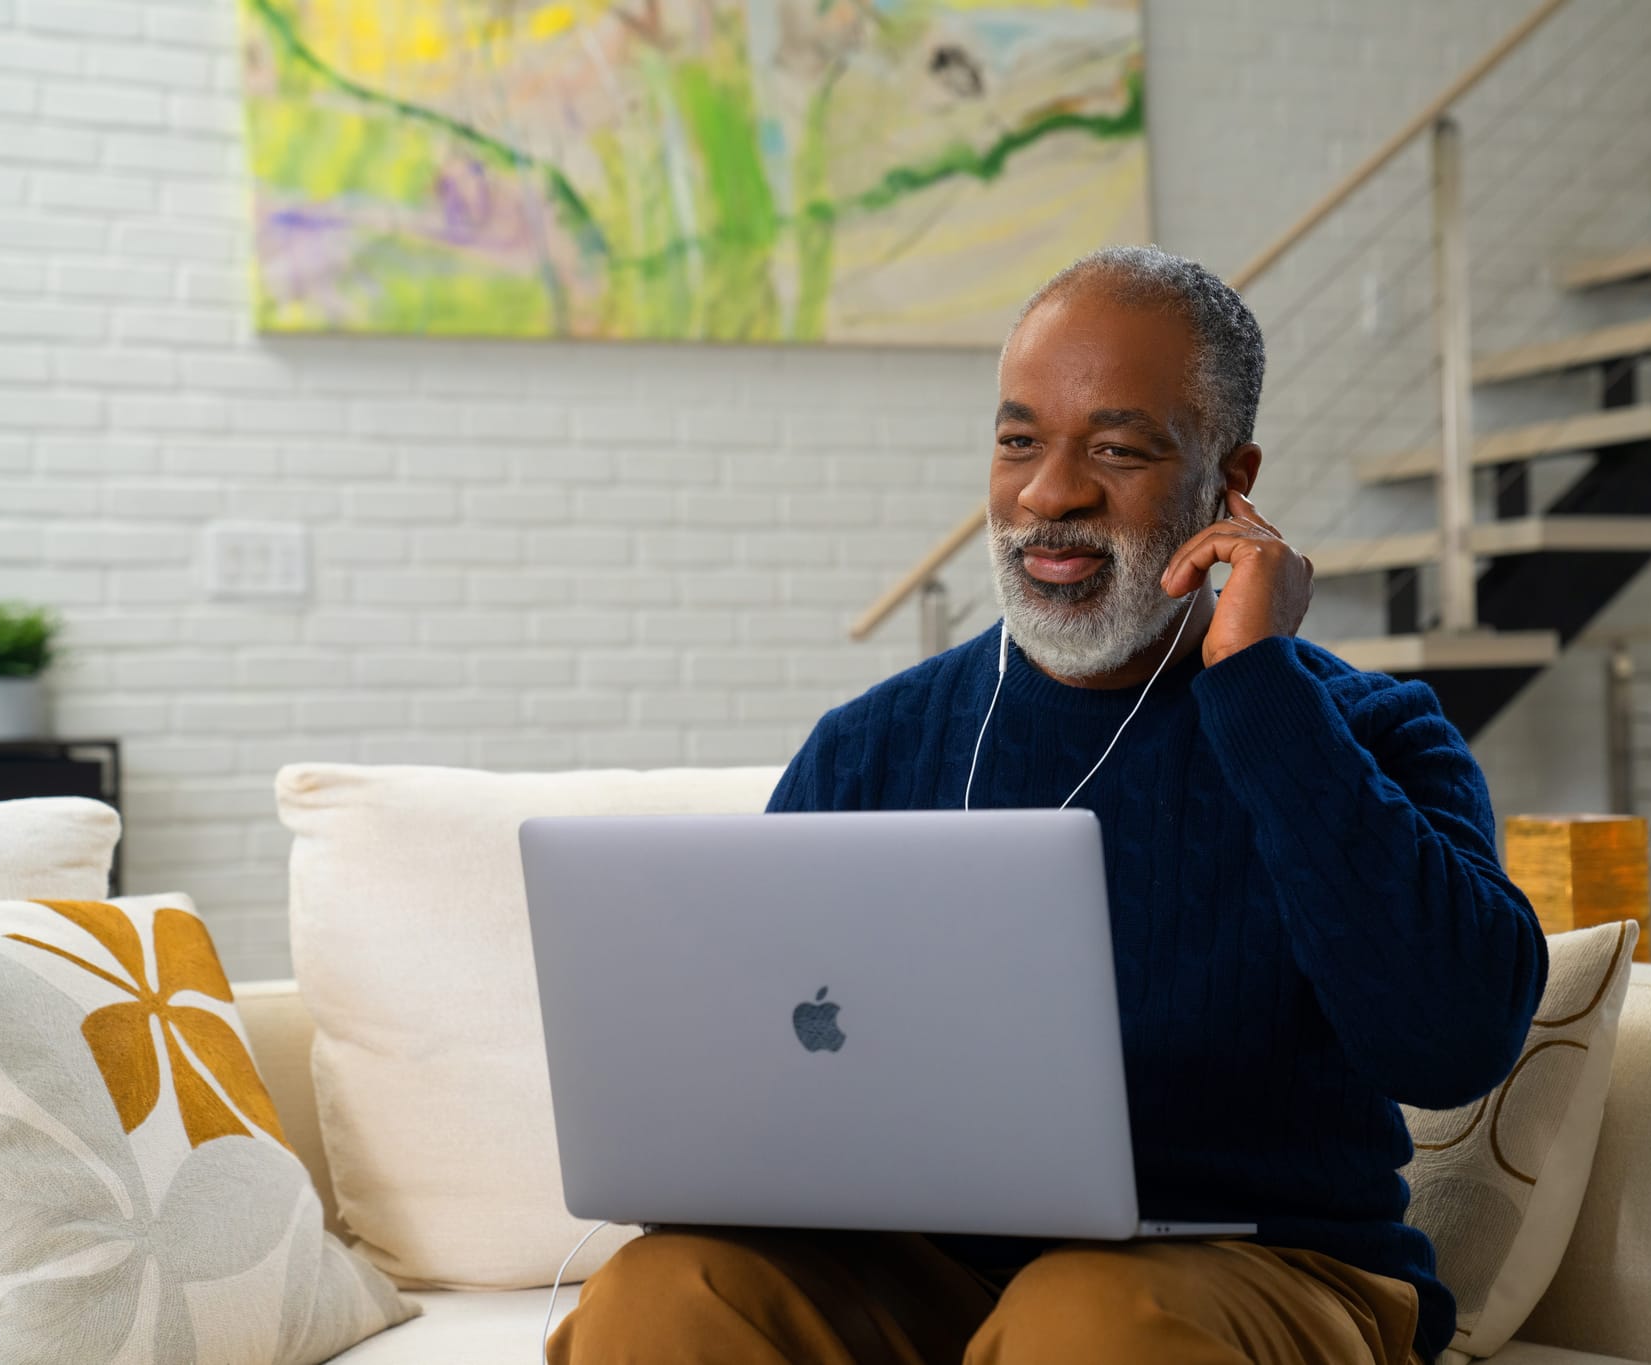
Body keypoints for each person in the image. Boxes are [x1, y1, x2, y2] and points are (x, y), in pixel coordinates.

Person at [547, 246, 1548, 1365]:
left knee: (1081, 1318)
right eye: (1019, 439)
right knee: (662, 1290)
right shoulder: (870, 746)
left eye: (1115, 449)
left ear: (1230, 475)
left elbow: (1451, 1041)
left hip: (1261, 1265)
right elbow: (761, 1071)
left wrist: (1259, 691)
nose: (1047, 493)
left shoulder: (1366, 733)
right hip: (926, 1271)